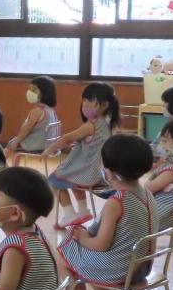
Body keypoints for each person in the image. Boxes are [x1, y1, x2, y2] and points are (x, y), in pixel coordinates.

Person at [55, 134, 158, 290]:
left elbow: (100, 245)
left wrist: (84, 238)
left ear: (109, 172)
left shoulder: (116, 202)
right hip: (142, 265)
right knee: (84, 254)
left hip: (122, 269)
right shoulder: (147, 193)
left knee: (64, 258)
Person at [42, 82, 119, 229]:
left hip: (90, 171)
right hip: (101, 172)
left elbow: (67, 138)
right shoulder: (108, 124)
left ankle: (70, 213)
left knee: (54, 180)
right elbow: (97, 143)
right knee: (71, 177)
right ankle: (83, 210)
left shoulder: (92, 125)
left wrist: (49, 150)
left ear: (104, 105)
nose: (84, 104)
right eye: (83, 100)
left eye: (90, 100)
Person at [5, 76, 58, 166]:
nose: (29, 92)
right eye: (29, 89)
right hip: (48, 144)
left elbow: (27, 129)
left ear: (44, 93)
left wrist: (16, 142)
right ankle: (14, 167)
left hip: (37, 145)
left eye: (34, 90)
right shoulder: (49, 109)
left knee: (12, 144)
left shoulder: (38, 110)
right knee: (14, 143)